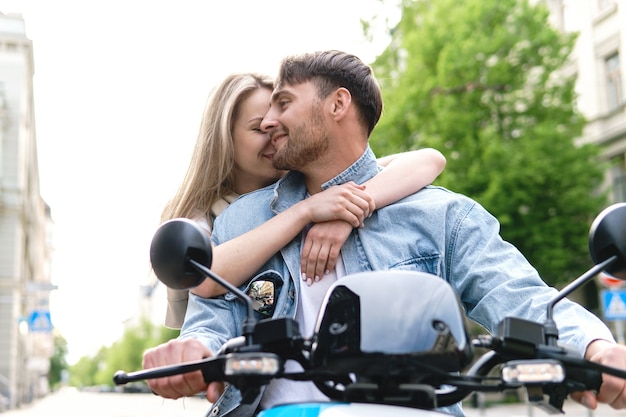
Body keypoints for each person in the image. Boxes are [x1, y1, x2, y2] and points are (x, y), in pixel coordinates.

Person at [144, 50, 626, 416]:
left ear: (338, 104)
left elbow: (518, 295)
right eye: (265, 113)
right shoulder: (240, 222)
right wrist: (196, 349)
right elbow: (211, 320)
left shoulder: (441, 214)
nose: (271, 121)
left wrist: (593, 348)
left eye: (284, 102)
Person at [157, 71, 446, 330]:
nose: (275, 135)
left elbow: (428, 160)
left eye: (279, 125)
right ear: (224, 138)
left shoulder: (311, 186)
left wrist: (346, 212)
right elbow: (206, 277)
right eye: (260, 129)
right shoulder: (200, 212)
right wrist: (304, 211)